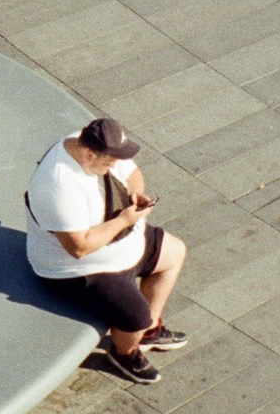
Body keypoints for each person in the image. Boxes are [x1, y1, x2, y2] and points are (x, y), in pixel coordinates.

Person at [25, 117, 188, 384]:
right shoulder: (58, 186)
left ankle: (148, 331)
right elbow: (80, 247)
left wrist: (135, 194)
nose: (115, 166)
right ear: (90, 154)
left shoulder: (93, 143)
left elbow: (132, 173)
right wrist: (125, 220)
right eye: (110, 162)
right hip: (79, 270)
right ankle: (124, 353)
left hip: (121, 240)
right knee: (136, 316)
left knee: (175, 252)